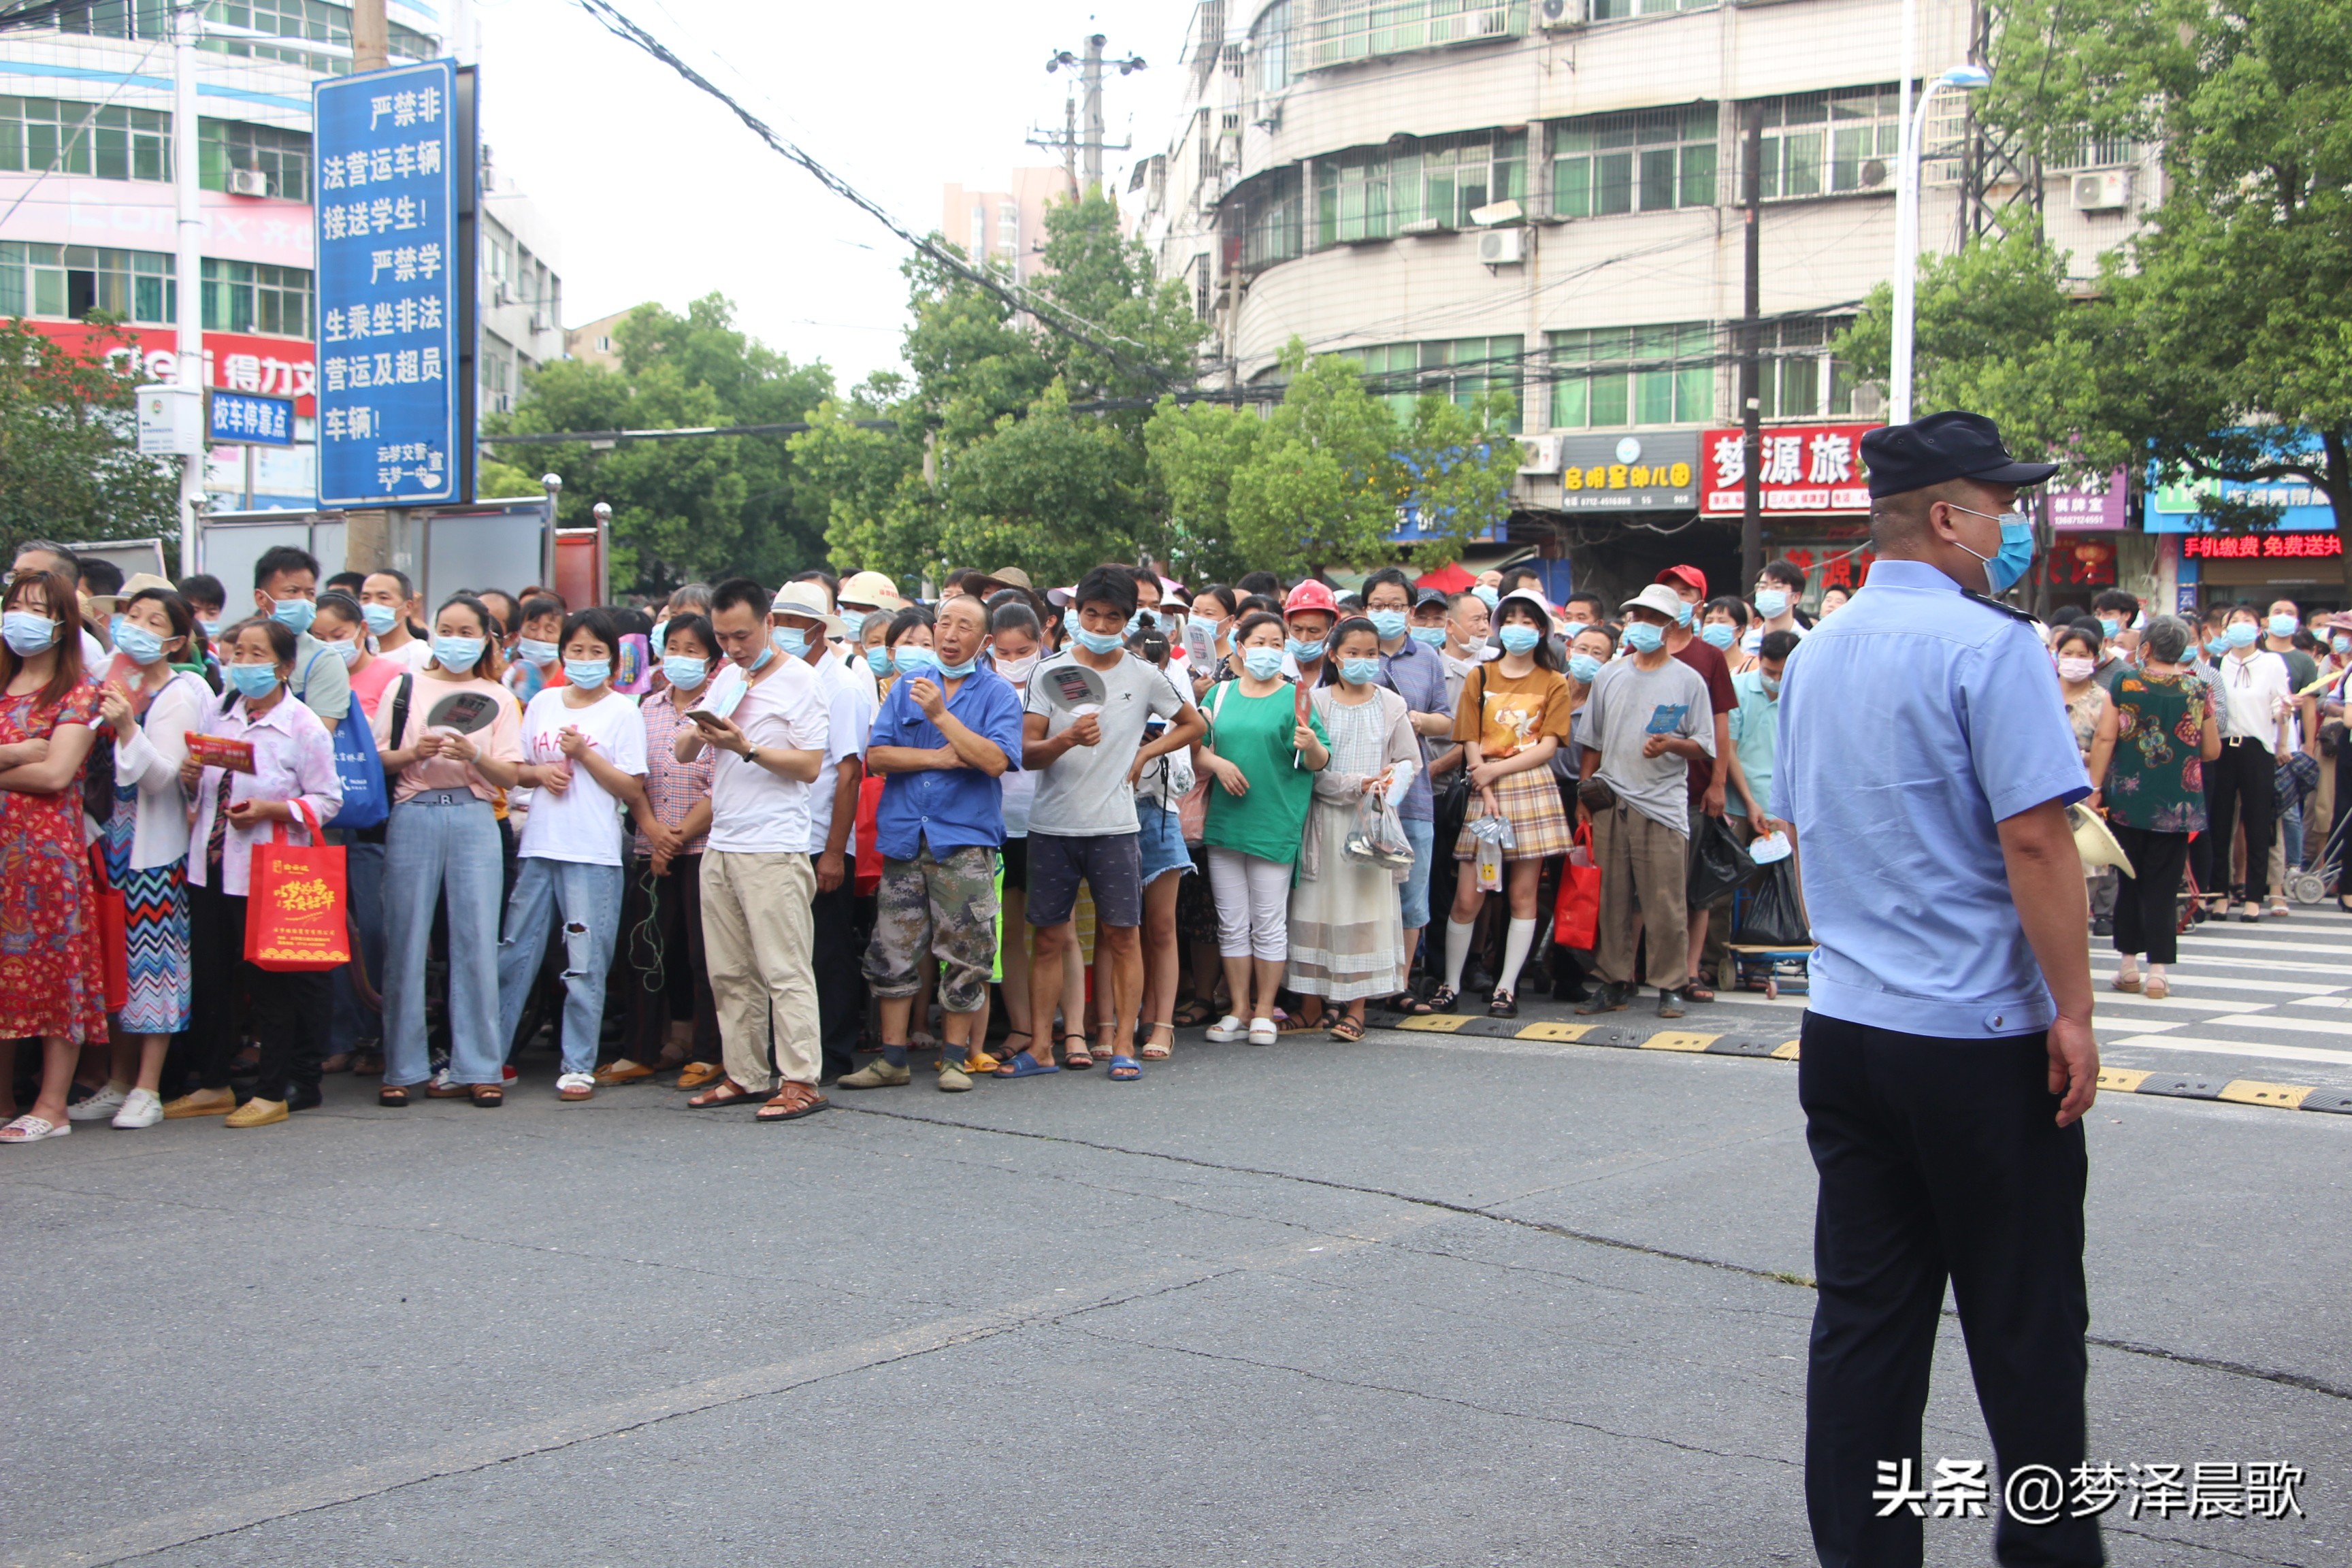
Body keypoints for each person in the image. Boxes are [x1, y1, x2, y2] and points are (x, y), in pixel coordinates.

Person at [1774, 411, 2101, 1568]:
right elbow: (2037, 843)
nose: (2012, 528)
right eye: (2002, 507)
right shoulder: (1991, 647)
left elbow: (1805, 831)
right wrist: (2075, 1007)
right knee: (2023, 1319)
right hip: (1976, 1034)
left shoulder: (1815, 651)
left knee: (1866, 1321)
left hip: (1849, 1026)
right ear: (1950, 517)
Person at [1013, 566, 1204, 1077]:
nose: (1099, 623)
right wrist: (1065, 740)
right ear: (1075, 617)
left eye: (1112, 616)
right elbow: (1027, 753)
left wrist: (1146, 756)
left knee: (1123, 936)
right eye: (1091, 613)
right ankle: (1040, 1047)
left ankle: (1123, 1043)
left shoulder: (1144, 674)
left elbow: (1194, 723)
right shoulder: (1047, 671)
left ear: (1127, 620)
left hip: (1117, 829)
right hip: (1052, 825)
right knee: (1049, 939)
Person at [840, 593, 1025, 1090]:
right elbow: (877, 757)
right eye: (944, 622)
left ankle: (954, 1058)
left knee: (966, 948)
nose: (949, 634)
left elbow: (993, 761)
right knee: (893, 947)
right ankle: (893, 1059)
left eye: (964, 626)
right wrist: (941, 758)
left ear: (984, 641)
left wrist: (943, 718)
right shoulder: (905, 688)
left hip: (963, 840)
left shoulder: (998, 694)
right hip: (904, 834)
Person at [175, 618, 346, 1128]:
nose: (244, 664)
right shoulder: (219, 712)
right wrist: (190, 780)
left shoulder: (303, 725)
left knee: (272, 987)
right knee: (210, 980)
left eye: (257, 655)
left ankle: (275, 1089)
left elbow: (329, 799)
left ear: (285, 666)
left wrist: (272, 810)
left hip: (268, 873)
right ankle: (213, 1083)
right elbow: (202, 787)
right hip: (210, 867)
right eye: (238, 654)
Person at [676, 578, 832, 1122]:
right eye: (722, 638)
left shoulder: (802, 681)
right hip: (722, 841)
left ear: (770, 622)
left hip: (774, 845)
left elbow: (810, 765)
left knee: (784, 968)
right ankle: (743, 1073)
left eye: (741, 634)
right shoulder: (728, 677)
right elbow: (679, 751)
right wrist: (701, 728)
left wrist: (746, 747)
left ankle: (801, 1079)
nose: (734, 646)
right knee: (729, 971)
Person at [372, 595, 525, 1108]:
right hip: (414, 810)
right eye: (446, 628)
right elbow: (378, 762)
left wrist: (474, 754)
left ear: (485, 637)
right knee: (407, 938)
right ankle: (402, 1065)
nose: (455, 639)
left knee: (477, 941)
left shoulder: (497, 697)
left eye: (466, 631)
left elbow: (511, 773)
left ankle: (480, 1066)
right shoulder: (405, 686)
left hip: (475, 814)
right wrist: (414, 753)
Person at [493, 608, 650, 1102]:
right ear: (563, 653)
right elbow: (518, 770)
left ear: (612, 658)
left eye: (596, 652)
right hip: (540, 843)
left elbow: (631, 786)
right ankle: (489, 1057)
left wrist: (585, 754)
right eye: (576, 650)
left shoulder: (624, 711)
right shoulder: (541, 702)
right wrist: (541, 775)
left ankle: (578, 1063)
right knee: (515, 951)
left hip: (593, 850)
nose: (584, 659)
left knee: (585, 960)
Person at [67, 585, 208, 1130]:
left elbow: (164, 778)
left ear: (175, 641)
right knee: (114, 965)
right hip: (104, 843)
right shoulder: (106, 672)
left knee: (156, 965)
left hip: (152, 846)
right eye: (133, 616)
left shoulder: (180, 691)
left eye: (155, 622)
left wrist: (128, 726)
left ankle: (148, 1087)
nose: (139, 628)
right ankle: (118, 1081)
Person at [0, 569, 108, 1143]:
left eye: (38, 608)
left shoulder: (79, 691)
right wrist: (15, 751)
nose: (22, 617)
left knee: (53, 973)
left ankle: (52, 1103)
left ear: (64, 621)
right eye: (15, 604)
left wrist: (16, 765)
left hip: (43, 857)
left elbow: (57, 773)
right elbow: (33, 765)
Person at [1571, 585, 1714, 1018]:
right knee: (1611, 898)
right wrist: (1584, 794)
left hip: (1663, 804)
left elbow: (1705, 745)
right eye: (1636, 616)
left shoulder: (1689, 680)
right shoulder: (1609, 674)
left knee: (1665, 901)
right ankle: (1614, 980)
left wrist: (1673, 744)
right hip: (1612, 797)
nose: (1642, 625)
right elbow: (1591, 742)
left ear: (1671, 627)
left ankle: (1671, 984)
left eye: (1653, 618)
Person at [1434, 591, 1574, 1017]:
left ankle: (1506, 989)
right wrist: (1485, 779)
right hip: (1484, 785)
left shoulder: (1554, 682)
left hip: (1530, 785)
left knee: (1522, 894)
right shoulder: (1481, 675)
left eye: (1528, 621)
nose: (1518, 627)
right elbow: (1470, 736)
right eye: (1509, 618)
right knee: (1468, 896)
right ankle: (1450, 984)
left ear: (1543, 630)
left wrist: (1496, 772)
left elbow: (1549, 745)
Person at [1200, 612, 1329, 1045]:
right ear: (1239, 647)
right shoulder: (1219, 695)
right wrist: (1216, 763)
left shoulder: (1297, 698)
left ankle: (1264, 1011)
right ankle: (1238, 1008)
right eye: (1259, 642)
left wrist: (1312, 746)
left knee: (1269, 922)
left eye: (1277, 643)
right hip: (1224, 823)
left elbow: (1320, 761)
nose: (1268, 651)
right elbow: (1191, 746)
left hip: (1274, 823)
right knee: (1232, 922)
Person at [1288, 617, 1417, 1039]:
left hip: (1371, 824)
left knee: (1365, 911)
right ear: (1334, 656)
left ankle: (1356, 1009)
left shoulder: (1391, 705)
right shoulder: (1316, 701)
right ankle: (1311, 1005)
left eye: (1371, 653)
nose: (1363, 661)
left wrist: (1387, 783)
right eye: (1353, 653)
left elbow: (1409, 763)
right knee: (1316, 907)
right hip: (1324, 819)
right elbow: (1310, 769)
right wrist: (1354, 783)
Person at [772, 581, 874, 1082]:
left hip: (821, 838)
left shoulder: (844, 685)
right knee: (785, 951)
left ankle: (833, 1052)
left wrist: (835, 852)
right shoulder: (775, 676)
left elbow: (850, 772)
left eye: (793, 623)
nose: (782, 632)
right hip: (777, 835)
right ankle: (791, 1051)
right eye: (779, 621)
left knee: (828, 950)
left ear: (816, 629)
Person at [2104, 615, 2220, 999]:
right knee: (2163, 886)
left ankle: (2128, 966)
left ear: (2147, 647)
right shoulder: (2199, 688)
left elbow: (2106, 736)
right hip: (2178, 803)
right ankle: (2158, 973)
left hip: (2127, 798)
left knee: (2128, 881)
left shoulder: (2125, 682)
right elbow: (2211, 750)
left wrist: (2093, 786)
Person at [1361, 568, 1451, 1012]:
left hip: (1412, 794)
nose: (1387, 613)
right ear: (1364, 609)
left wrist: (1412, 719)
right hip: (1360, 792)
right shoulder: (1354, 654)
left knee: (1411, 894)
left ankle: (1398, 984)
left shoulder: (1429, 659)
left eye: (1397, 606)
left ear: (1411, 612)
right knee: (1363, 886)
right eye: (1378, 605)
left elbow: (1446, 721)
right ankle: (1360, 982)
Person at [1653, 566, 1737, 996]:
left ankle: (1689, 972)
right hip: (1649, 787)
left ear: (1699, 604)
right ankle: (1642, 968)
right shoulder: (1639, 649)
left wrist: (1718, 784)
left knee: (1696, 887)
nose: (1678, 600)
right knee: (1652, 885)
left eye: (1687, 593)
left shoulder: (1709, 657)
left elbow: (1720, 729)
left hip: (1697, 785)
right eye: (1670, 592)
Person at [2204, 602, 2293, 923]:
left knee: (2258, 823)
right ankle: (2220, 893)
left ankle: (2256, 895)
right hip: (2222, 747)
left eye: (2247, 621)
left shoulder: (2271, 662)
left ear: (2259, 628)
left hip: (2258, 748)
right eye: (2233, 622)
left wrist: (2283, 739)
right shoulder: (2215, 665)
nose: (2240, 626)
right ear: (2224, 630)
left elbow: (2281, 705)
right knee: (2220, 821)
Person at [2055, 624, 2121, 934]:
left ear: (2095, 659)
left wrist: (2092, 780)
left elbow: (2108, 746)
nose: (2074, 660)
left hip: (2082, 793)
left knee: (2082, 867)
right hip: (2043, 791)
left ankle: (2077, 928)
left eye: (2083, 655)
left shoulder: (2102, 699)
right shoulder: (2043, 690)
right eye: (2068, 653)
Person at [247, 545, 350, 727]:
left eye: (310, 593)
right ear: (261, 598)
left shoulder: (324, 660)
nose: (303, 601)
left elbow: (320, 737)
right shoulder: (242, 657)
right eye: (293, 591)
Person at [14, 540, 110, 671]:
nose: (18, 584)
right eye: (15, 576)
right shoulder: (10, 633)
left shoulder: (85, 650)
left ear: (64, 585)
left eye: (29, 575)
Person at [360, 570, 434, 670]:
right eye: (365, 598)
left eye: (384, 598)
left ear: (408, 607)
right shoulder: (364, 653)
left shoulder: (420, 655)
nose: (372, 604)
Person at [505, 594, 567, 705]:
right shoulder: (507, 673)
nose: (540, 637)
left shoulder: (569, 678)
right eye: (533, 628)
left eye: (550, 631)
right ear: (519, 632)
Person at [1281, 579, 1337, 687]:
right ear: (1288, 626)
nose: (1303, 639)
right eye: (1297, 630)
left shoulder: (1341, 674)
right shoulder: (1276, 670)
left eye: (1313, 631)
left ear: (1331, 631)